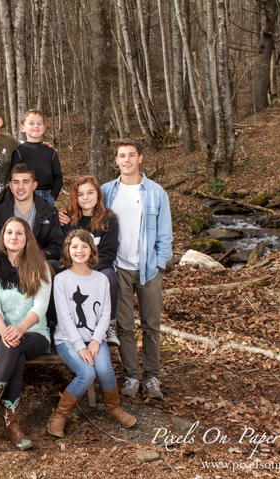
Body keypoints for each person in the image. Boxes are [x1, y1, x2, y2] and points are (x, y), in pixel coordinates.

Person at [61, 139, 172, 399]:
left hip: (148, 269)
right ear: (117, 160)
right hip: (117, 268)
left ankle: (152, 376)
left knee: (151, 325)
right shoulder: (108, 190)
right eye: (122, 156)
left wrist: (159, 263)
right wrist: (62, 215)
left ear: (140, 158)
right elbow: (85, 211)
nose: (127, 160)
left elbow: (165, 235)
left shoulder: (156, 192)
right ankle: (132, 376)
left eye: (131, 155)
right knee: (123, 327)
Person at [0, 217, 52, 451]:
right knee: (15, 351)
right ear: (2, 238)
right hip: (2, 333)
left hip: (34, 333)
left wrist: (21, 328)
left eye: (19, 233)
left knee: (16, 346)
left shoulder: (40, 266)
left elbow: (40, 307)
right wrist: (5, 332)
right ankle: (12, 425)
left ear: (27, 239)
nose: (13, 237)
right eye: (9, 233)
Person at [47, 230, 137, 437]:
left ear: (91, 250)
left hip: (95, 339)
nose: (79, 251)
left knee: (105, 371)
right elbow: (64, 317)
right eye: (75, 246)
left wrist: (96, 340)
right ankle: (59, 416)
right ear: (68, 250)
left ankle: (114, 408)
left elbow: (106, 313)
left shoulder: (101, 279)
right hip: (68, 340)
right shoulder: (61, 280)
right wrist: (80, 346)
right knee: (87, 374)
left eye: (84, 246)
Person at [62, 175, 120, 346]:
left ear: (98, 195)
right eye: (80, 194)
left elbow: (108, 253)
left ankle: (109, 325)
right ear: (75, 197)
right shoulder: (68, 219)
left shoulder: (109, 220)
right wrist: (77, 270)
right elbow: (64, 248)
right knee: (55, 271)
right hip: (72, 266)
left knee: (110, 276)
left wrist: (88, 272)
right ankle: (56, 322)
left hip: (98, 267)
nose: (85, 197)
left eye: (90, 193)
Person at [0, 163, 64, 269]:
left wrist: (32, 257)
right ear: (10, 185)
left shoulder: (48, 212)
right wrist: (14, 258)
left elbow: (57, 246)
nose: (20, 187)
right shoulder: (1, 211)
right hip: (10, 265)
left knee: (55, 265)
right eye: (16, 182)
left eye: (26, 182)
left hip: (39, 266)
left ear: (34, 185)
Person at [11, 109, 63, 206]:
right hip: (26, 195)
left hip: (47, 195)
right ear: (23, 128)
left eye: (39, 123)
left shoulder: (50, 151)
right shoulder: (19, 151)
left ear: (43, 128)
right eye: (31, 123)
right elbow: (13, 176)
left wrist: (53, 196)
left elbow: (58, 176)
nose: (36, 126)